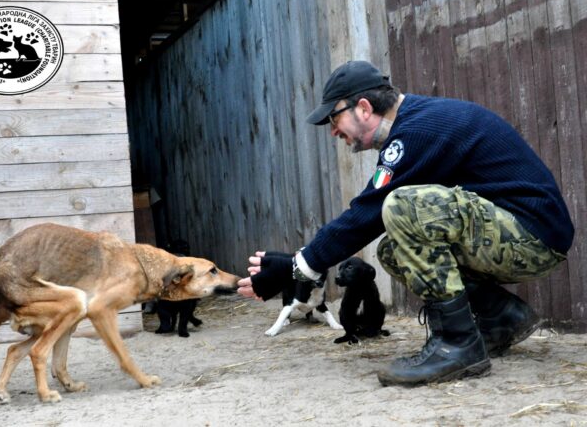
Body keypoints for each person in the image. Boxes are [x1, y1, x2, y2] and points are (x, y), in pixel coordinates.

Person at [237, 60, 575, 386]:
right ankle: (500, 317)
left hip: (531, 237)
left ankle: (456, 345)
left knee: (400, 205)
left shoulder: (417, 130)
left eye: (334, 118)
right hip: (517, 234)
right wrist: (302, 265)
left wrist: (296, 267)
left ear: (364, 108)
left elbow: (366, 214)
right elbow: (369, 215)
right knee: (394, 249)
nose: (333, 131)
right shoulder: (415, 123)